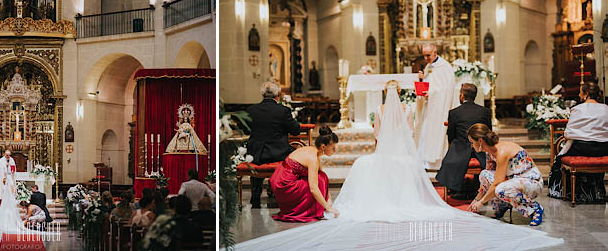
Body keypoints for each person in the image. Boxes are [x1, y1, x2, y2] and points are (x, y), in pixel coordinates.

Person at [233, 82, 564, 250]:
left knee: (365, 165)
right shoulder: (406, 112)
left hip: (261, 150)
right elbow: (412, 133)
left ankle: (259, 199)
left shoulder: (378, 111)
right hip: (402, 156)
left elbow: (377, 135)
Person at [468, 124, 547, 225]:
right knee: (484, 175)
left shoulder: (502, 152)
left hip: (531, 181)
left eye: (472, 142)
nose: (471, 145)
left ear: (480, 141)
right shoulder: (489, 152)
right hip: (512, 180)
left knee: (501, 189)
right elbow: (488, 179)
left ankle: (534, 208)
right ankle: (503, 205)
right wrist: (476, 199)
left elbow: (497, 183)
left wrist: (481, 202)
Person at [245, 81, 303, 208]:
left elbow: (245, 130)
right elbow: (296, 130)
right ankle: (287, 193)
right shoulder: (283, 111)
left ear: (262, 94)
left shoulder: (251, 110)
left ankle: (256, 195)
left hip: (256, 154)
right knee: (298, 156)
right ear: (278, 94)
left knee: (258, 159)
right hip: (278, 153)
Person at [549, 82, 608, 203]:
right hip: (603, 148)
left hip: (583, 148)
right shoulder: (606, 108)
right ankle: (597, 191)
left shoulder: (577, 109)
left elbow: (568, 134)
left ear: (586, 94)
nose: (579, 95)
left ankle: (576, 193)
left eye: (581, 92)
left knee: (560, 159)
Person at [269, 126, 338, 222]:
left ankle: (320, 207)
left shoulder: (315, 152)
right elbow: (313, 189)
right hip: (284, 184)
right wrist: (328, 208)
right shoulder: (312, 159)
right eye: (333, 148)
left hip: (282, 177)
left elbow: (323, 177)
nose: (335, 150)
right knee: (317, 182)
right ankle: (311, 211)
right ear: (323, 146)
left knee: (321, 176)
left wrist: (329, 201)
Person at [437, 83, 491, 200]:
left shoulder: (454, 112)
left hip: (460, 150)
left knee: (450, 162)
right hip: (481, 150)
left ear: (462, 95)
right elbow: (488, 132)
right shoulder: (485, 111)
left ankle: (457, 189)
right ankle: (476, 188)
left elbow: (451, 135)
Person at [415, 43, 460, 169]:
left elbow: (448, 88)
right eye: (424, 56)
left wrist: (433, 93)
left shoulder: (445, 67)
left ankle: (435, 163)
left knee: (436, 134)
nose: (426, 58)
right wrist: (421, 80)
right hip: (429, 107)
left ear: (435, 53)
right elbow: (429, 83)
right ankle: (424, 161)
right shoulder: (428, 66)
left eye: (428, 55)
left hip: (439, 108)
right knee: (425, 132)